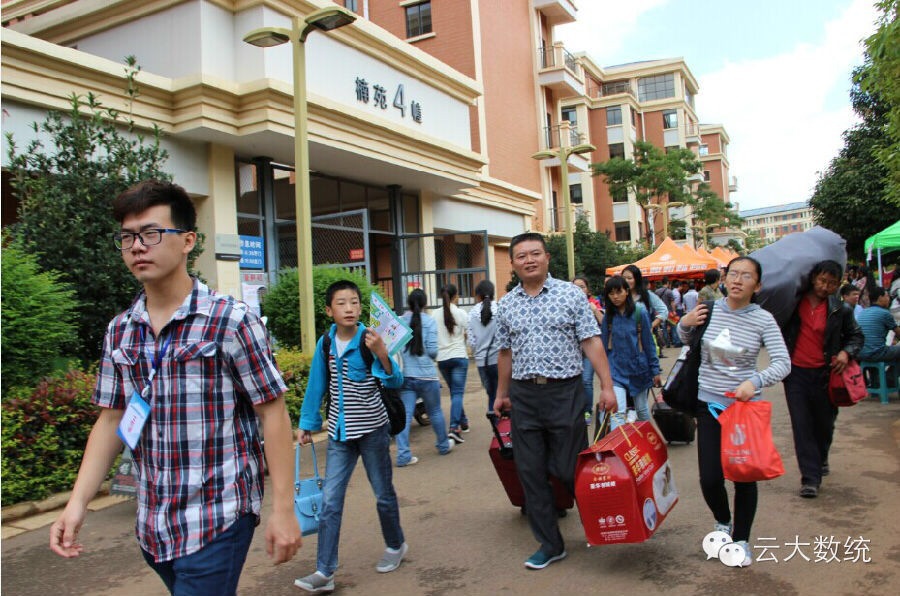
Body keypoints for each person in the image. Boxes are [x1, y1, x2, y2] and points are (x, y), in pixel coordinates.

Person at [49, 181, 300, 595]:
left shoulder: (230, 321)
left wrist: (283, 510)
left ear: (187, 241)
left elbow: (272, 412)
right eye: (127, 237)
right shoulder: (120, 331)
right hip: (153, 522)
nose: (137, 247)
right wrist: (76, 504)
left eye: (151, 233)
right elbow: (111, 420)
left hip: (218, 516)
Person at [494, 232, 617, 570]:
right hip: (524, 395)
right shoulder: (506, 304)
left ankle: (605, 520)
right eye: (522, 256)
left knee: (568, 467)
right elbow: (505, 352)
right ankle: (550, 544)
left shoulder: (570, 295)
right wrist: (502, 394)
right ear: (512, 263)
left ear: (547, 257)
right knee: (530, 471)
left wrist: (607, 387)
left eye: (535, 253)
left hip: (565, 392)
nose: (529, 260)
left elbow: (591, 341)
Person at [677, 256, 791, 567]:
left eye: (746, 276)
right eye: (733, 274)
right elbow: (688, 342)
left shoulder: (763, 319)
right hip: (708, 404)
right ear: (725, 279)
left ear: (758, 285)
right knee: (710, 478)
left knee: (743, 476)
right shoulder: (708, 310)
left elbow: (783, 363)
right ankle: (722, 520)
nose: (738, 280)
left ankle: (741, 539)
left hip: (743, 410)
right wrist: (684, 324)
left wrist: (755, 381)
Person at [294, 280, 406, 593]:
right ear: (329, 310)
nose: (349, 308)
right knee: (330, 501)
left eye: (354, 302)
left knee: (383, 494)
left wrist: (382, 353)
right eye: (342, 303)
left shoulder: (370, 339)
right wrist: (307, 423)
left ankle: (396, 545)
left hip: (373, 430)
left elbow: (395, 381)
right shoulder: (326, 343)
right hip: (339, 434)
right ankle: (324, 571)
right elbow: (317, 384)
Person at [781, 260, 863, 499]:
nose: (825, 287)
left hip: (827, 374)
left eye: (832, 283)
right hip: (796, 374)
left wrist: (846, 353)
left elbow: (856, 336)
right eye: (822, 281)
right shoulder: (793, 304)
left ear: (838, 285)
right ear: (813, 278)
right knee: (802, 425)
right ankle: (810, 478)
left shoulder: (840, 309)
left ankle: (821, 456)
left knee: (824, 424)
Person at [395, 289, 455, 467]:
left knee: (405, 416)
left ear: (408, 302)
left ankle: (403, 455)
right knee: (435, 411)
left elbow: (394, 348)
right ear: (425, 304)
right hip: (427, 376)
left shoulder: (399, 322)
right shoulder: (429, 322)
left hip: (406, 376)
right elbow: (433, 351)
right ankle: (443, 445)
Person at [601, 276, 661, 427]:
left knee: (642, 411)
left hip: (639, 370)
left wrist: (655, 370)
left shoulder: (640, 312)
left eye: (618, 292)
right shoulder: (608, 317)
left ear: (627, 291)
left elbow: (648, 344)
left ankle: (645, 439)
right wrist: (604, 375)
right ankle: (619, 443)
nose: (615, 297)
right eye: (611, 293)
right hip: (616, 371)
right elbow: (603, 346)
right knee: (618, 412)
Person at [435, 284, 470, 444]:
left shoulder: (434, 314)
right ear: (456, 296)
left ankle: (463, 421)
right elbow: (469, 332)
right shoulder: (461, 313)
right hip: (458, 356)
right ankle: (454, 428)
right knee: (457, 393)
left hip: (442, 359)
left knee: (455, 392)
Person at [573, 276, 604, 423]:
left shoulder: (594, 304)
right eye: (575, 286)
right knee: (575, 382)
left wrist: (595, 310)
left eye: (582, 286)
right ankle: (577, 410)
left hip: (589, 351)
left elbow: (604, 323)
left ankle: (587, 411)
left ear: (587, 289)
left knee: (586, 381)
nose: (579, 289)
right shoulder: (566, 304)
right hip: (573, 352)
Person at [467, 280, 501, 415]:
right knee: (503, 395)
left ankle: (495, 423)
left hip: (482, 363)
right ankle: (504, 425)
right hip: (499, 360)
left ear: (478, 295)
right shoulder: (500, 309)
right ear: (493, 293)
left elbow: (472, 342)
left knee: (491, 395)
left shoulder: (471, 314)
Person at [622, 265, 668, 355]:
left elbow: (664, 310)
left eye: (629, 278)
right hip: (624, 339)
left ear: (637, 279)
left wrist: (650, 326)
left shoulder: (646, 295)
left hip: (643, 338)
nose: (626, 281)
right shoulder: (620, 295)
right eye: (624, 278)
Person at [856, 287, 900, 363]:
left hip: (859, 353)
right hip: (876, 353)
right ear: (880, 298)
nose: (889, 299)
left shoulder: (863, 312)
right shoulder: (884, 313)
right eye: (887, 296)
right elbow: (898, 333)